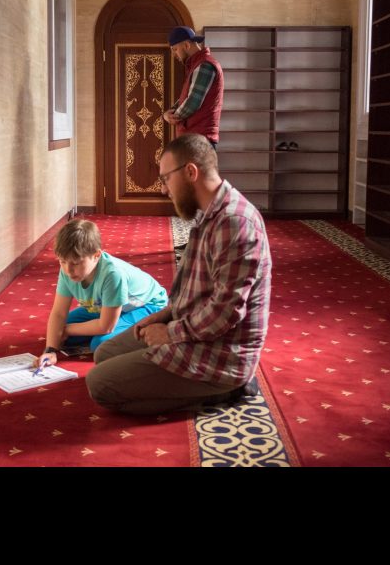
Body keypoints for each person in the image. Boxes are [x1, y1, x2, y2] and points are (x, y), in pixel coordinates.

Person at [86, 134, 272, 415]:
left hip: (221, 354)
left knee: (100, 385)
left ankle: (227, 389)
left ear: (190, 172)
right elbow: (195, 291)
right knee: (103, 355)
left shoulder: (235, 223)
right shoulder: (208, 212)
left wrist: (170, 333)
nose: (164, 190)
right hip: (196, 331)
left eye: (166, 179)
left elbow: (225, 312)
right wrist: (163, 315)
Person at [33, 219, 168, 368]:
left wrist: (66, 329)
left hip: (148, 306)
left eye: (76, 263)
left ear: (96, 255)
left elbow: (106, 327)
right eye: (62, 261)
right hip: (107, 306)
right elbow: (58, 313)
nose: (68, 270)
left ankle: (147, 330)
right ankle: (113, 327)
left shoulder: (113, 274)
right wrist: (51, 350)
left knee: (100, 344)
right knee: (57, 333)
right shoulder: (68, 270)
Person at [163, 25, 224, 149]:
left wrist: (172, 117)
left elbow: (192, 103)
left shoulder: (204, 65)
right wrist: (167, 113)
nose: (174, 55)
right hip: (196, 138)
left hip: (199, 140)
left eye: (175, 49)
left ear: (186, 45)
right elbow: (186, 97)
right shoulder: (196, 65)